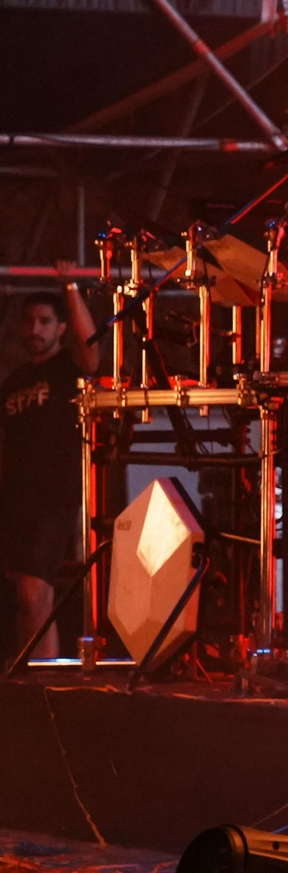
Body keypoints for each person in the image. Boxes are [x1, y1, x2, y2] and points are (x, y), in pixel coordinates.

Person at [2, 276, 99, 661]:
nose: (34, 329)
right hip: (15, 498)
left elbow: (91, 353)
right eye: (28, 321)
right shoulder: (14, 381)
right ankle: (31, 675)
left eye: (44, 321)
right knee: (24, 597)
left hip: (54, 496)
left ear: (60, 327)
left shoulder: (65, 369)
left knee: (33, 590)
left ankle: (41, 677)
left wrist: (71, 290)